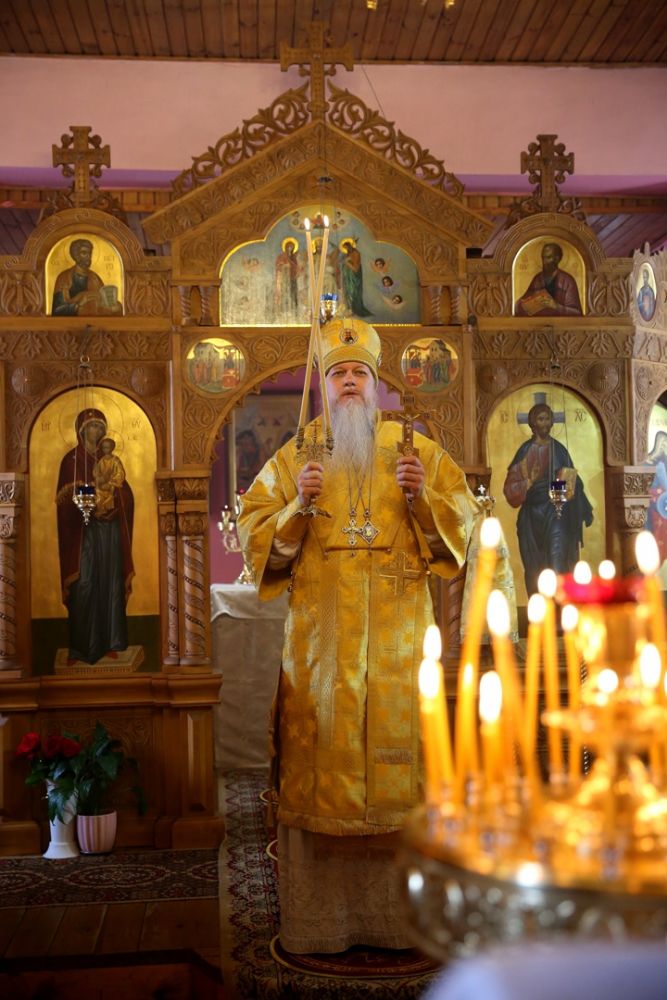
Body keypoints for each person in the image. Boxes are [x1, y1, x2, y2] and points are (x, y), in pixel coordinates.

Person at [237, 318, 478, 955]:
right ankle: (321, 925)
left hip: (400, 642)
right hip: (322, 648)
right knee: (324, 770)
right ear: (324, 385)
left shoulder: (415, 451)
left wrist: (422, 499)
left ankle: (401, 924)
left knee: (406, 772)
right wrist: (297, 506)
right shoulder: (298, 454)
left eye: (359, 373)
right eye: (338, 373)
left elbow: (463, 526)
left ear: (376, 384)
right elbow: (255, 535)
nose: (349, 382)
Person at [56, 408, 134, 665]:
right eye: (92, 426)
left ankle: (110, 642)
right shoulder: (71, 460)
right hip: (83, 533)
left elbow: (126, 494)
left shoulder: (110, 459)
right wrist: (87, 501)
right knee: (85, 584)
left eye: (100, 427)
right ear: (81, 430)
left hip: (108, 530)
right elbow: (65, 500)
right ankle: (80, 649)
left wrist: (115, 498)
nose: (96, 431)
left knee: (110, 582)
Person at [503, 403, 593, 596]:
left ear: (552, 422)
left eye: (547, 419)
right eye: (540, 419)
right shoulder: (525, 451)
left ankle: (559, 609)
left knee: (557, 562)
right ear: (532, 423)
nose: (545, 423)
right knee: (533, 568)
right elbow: (510, 490)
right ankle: (538, 609)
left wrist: (561, 488)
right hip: (531, 518)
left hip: (556, 513)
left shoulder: (559, 450)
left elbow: (571, 483)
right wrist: (528, 482)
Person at [52, 238, 121, 316]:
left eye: (89, 253)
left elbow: (104, 302)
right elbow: (57, 310)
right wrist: (78, 304)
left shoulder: (95, 278)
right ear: (76, 255)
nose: (88, 256)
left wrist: (114, 307)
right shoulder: (64, 277)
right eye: (84, 253)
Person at [515, 242, 582, 317]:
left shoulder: (567, 281)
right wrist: (530, 302)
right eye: (543, 258)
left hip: (561, 323)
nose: (544, 262)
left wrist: (556, 306)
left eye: (548, 257)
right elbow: (518, 307)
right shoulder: (537, 279)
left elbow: (577, 313)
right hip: (539, 322)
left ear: (557, 259)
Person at [93, 437, 126, 517]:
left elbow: (120, 473)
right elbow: (96, 471)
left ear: (112, 448)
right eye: (104, 448)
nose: (105, 450)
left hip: (112, 484)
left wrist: (111, 481)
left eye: (107, 447)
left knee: (109, 494)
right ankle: (101, 510)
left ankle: (106, 508)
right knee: (97, 491)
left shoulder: (115, 460)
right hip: (102, 484)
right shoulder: (101, 460)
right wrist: (98, 478)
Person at [340, 238, 372, 317]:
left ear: (350, 246)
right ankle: (349, 308)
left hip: (354, 278)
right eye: (345, 248)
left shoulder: (356, 253)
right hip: (348, 278)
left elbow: (356, 268)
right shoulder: (347, 255)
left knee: (353, 292)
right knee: (347, 292)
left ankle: (354, 309)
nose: (347, 250)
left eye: (347, 247)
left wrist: (347, 263)